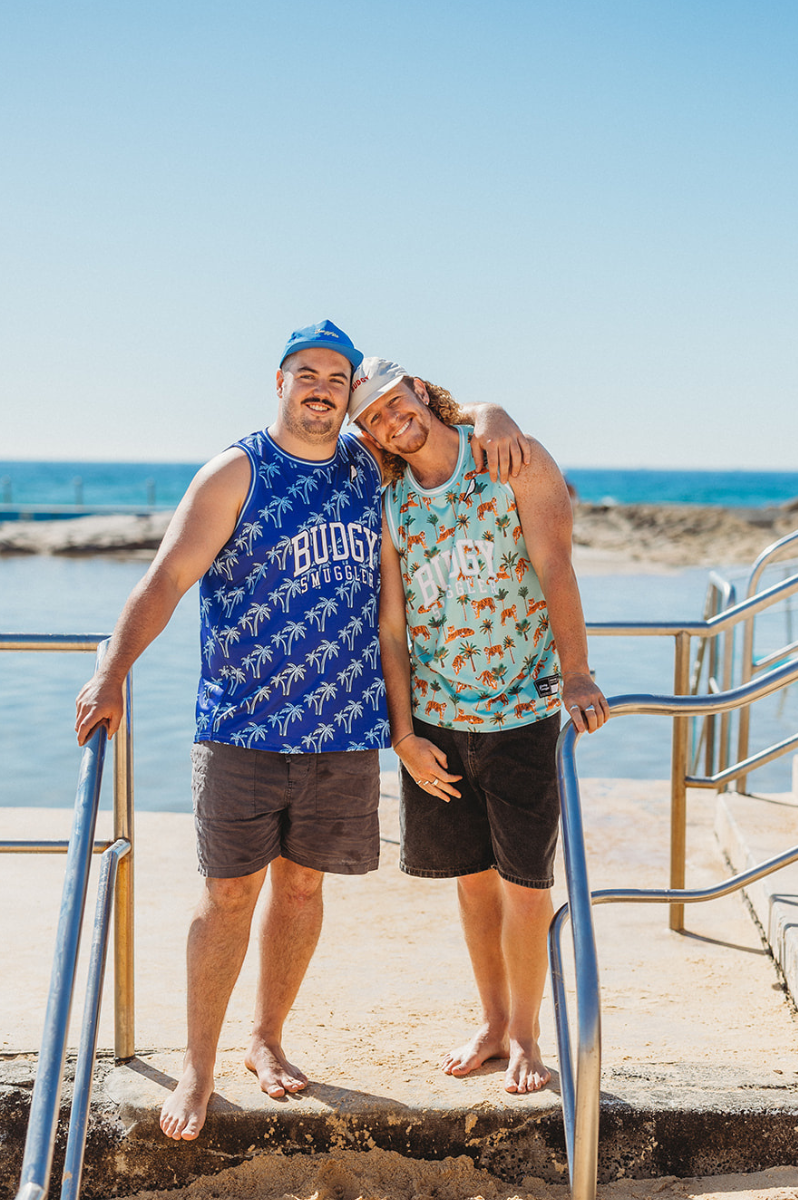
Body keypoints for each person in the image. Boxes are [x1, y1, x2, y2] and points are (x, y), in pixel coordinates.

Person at [74, 321, 527, 1141]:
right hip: (242, 728)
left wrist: (494, 415)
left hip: (343, 734)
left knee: (305, 890)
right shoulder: (236, 471)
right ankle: (199, 1062)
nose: (322, 386)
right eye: (306, 372)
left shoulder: (368, 468)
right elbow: (169, 575)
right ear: (279, 381)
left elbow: (445, 421)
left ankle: (266, 1037)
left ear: (351, 395)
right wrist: (113, 671)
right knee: (227, 895)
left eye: (337, 376)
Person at [350, 357, 609, 1095]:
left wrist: (578, 671)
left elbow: (557, 567)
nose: (390, 421)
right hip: (438, 721)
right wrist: (403, 734)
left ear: (421, 394)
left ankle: (528, 1036)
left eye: (396, 403)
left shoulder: (508, 459)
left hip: (522, 713)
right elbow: (392, 630)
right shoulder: (394, 503)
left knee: (525, 886)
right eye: (373, 418)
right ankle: (494, 1024)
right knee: (470, 885)